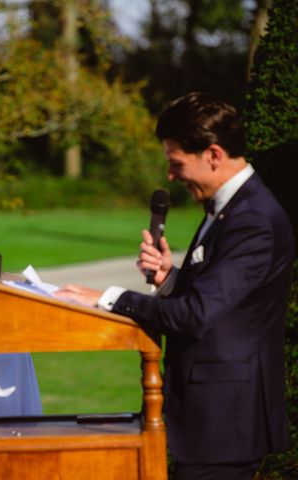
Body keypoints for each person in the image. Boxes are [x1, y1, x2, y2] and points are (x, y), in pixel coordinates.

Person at [55, 92, 294, 480]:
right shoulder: (230, 209)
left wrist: (109, 298)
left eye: (176, 163)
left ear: (213, 154)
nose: (170, 176)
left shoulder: (252, 220)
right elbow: (221, 299)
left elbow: (197, 315)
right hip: (211, 422)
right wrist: (170, 280)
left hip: (225, 424)